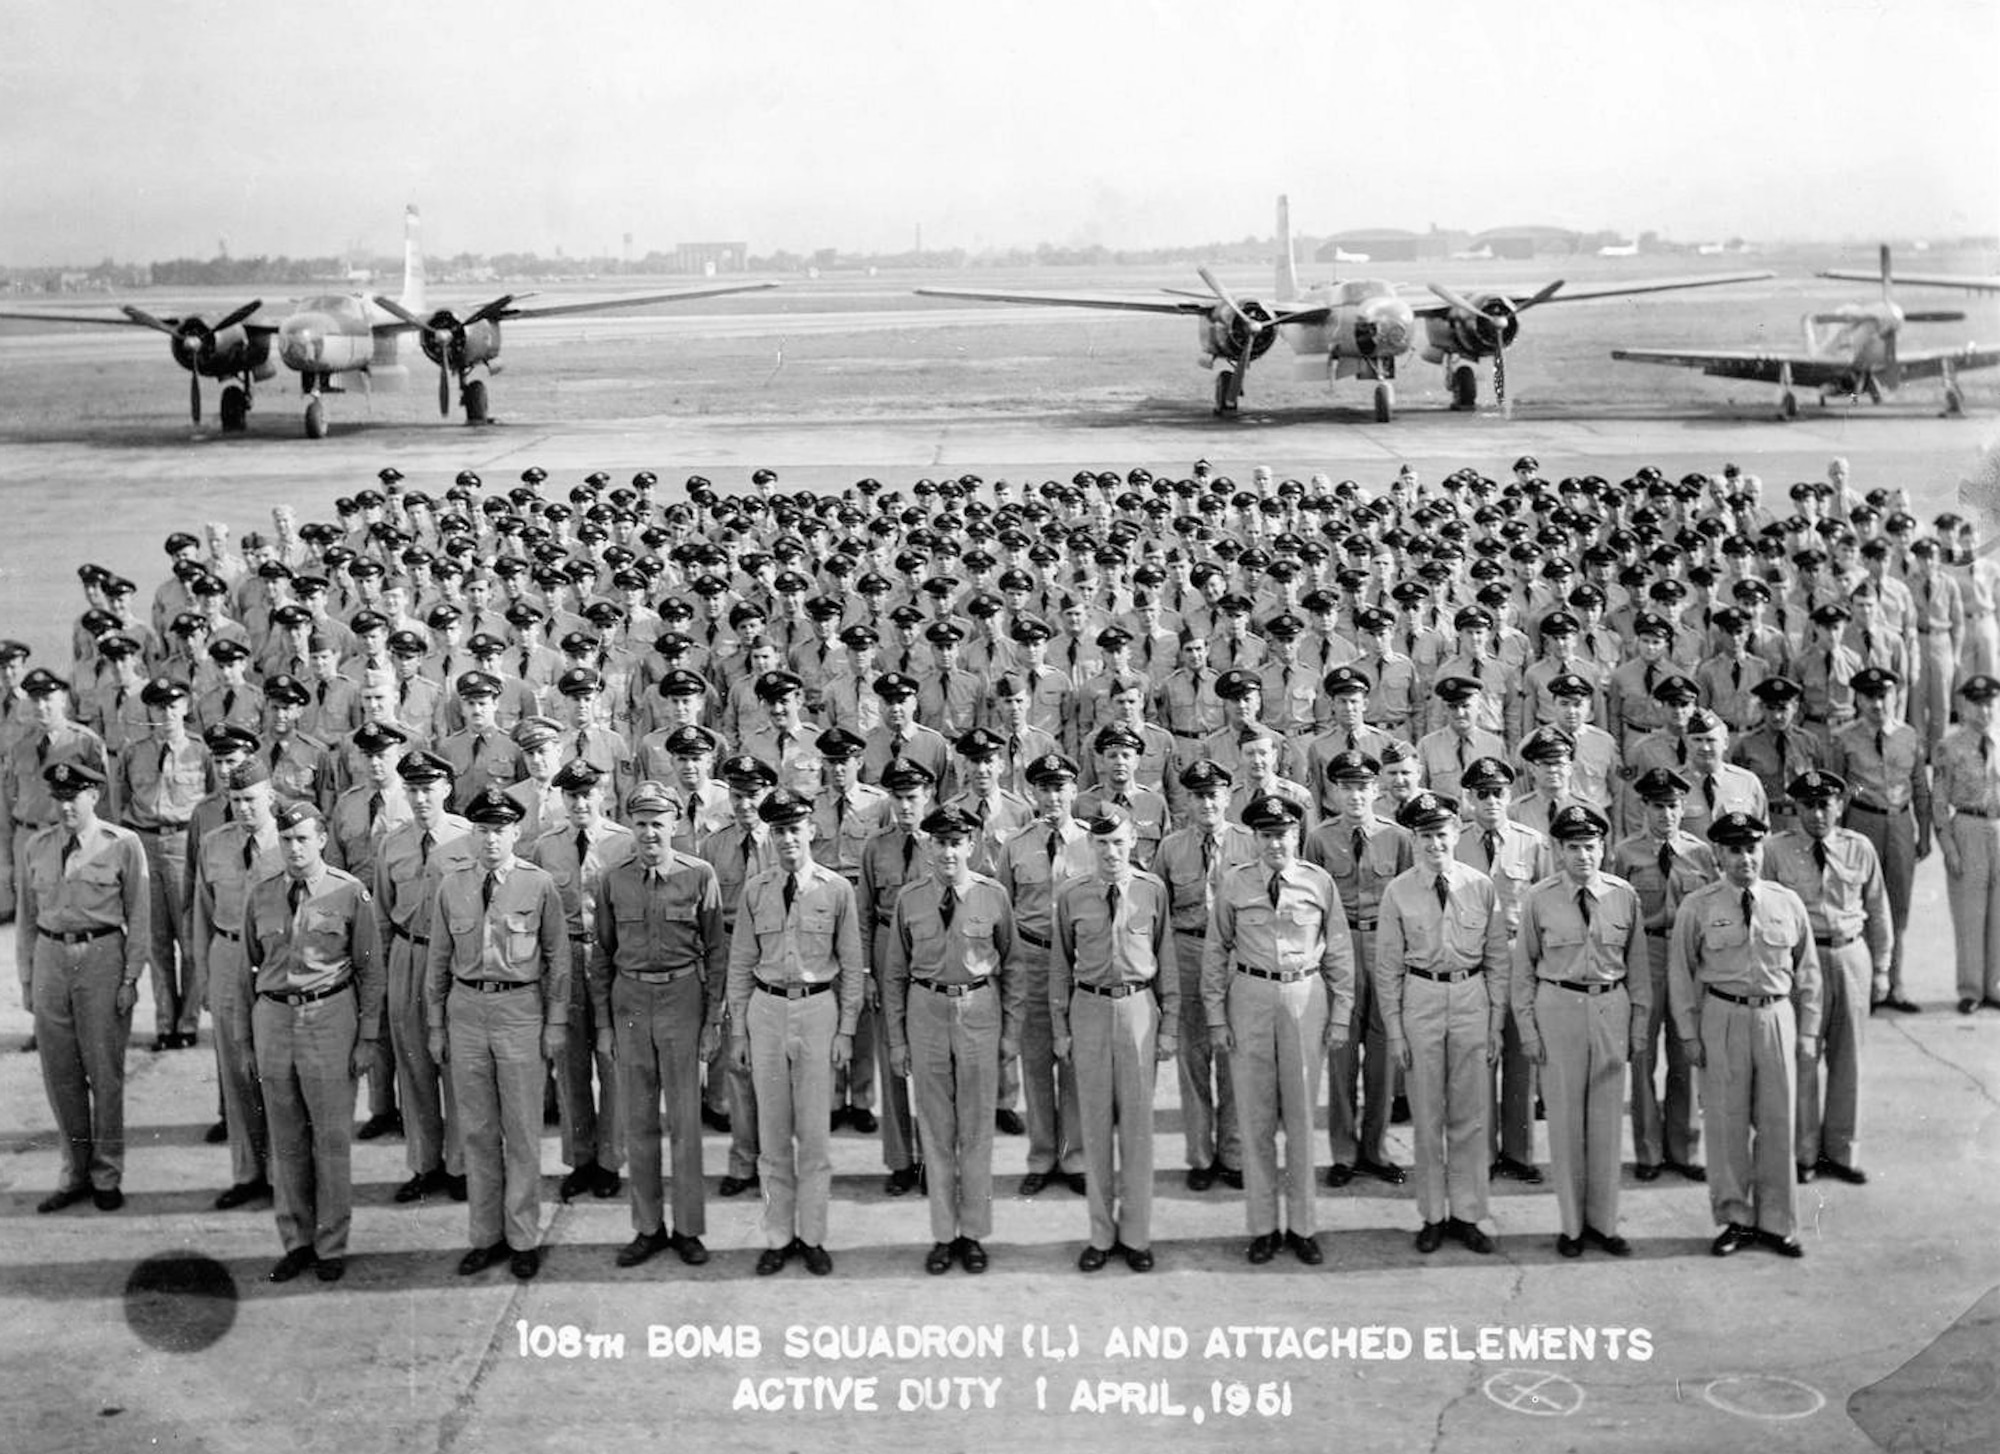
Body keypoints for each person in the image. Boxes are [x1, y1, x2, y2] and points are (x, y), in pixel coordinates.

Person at [426, 788, 571, 1281]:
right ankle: (486, 1235)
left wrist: (555, 1023)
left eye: (500, 830)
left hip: (519, 1011)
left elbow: (558, 960)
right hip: (466, 1010)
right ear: (473, 833)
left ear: (516, 833)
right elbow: (438, 962)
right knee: (478, 1131)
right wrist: (435, 1025)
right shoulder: (452, 885)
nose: (491, 839)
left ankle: (523, 1235)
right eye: (482, 830)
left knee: (523, 1131)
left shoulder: (540, 885)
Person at [1202, 792, 1353, 1265]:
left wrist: (1342, 1014)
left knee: (1303, 1117)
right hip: (1250, 996)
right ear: (1254, 838)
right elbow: (1214, 952)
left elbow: (1340, 952)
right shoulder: (1234, 883)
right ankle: (1264, 1227)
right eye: (1266, 835)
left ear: (1297, 835)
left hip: (1305, 999)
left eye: (1284, 834)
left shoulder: (1318, 882)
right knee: (1256, 1118)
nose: (1275, 844)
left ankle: (1304, 1226)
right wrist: (1216, 1017)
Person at [1667, 812, 1822, 1258]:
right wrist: (1688, 1033)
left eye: (1751, 849)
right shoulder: (1699, 906)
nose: (1744, 859)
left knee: (1778, 1122)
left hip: (1775, 1016)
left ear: (1762, 851)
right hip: (1723, 1016)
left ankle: (1777, 1222)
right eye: (1734, 850)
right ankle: (1735, 1218)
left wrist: (1809, 1031)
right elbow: (1680, 973)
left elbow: (1808, 972)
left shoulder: (1786, 902)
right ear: (1718, 854)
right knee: (1726, 1122)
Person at [726, 787, 866, 1276]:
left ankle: (813, 1235)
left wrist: (846, 1029)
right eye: (778, 829)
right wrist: (740, 1033)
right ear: (769, 834)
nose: (787, 839)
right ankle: (778, 1235)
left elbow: (852, 963)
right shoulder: (755, 890)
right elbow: (741, 962)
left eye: (795, 828)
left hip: (817, 1011)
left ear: (811, 830)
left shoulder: (836, 889)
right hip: (765, 1011)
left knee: (814, 1135)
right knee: (772, 1135)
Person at [244, 800, 382, 1283]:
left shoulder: (349, 894)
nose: (294, 848)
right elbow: (249, 966)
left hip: (330, 1016)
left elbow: (370, 970)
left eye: (303, 838)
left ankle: (330, 1245)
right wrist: (248, 1038)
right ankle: (297, 1241)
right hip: (275, 1019)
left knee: (330, 1138)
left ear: (322, 839)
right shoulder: (261, 894)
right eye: (286, 840)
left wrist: (367, 1038)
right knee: (286, 1139)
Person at [880, 805, 1021, 1275]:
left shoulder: (993, 896)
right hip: (926, 1011)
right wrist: (897, 1041)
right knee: (936, 1131)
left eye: (956, 841)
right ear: (927, 846)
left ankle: (973, 1233)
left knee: (977, 1130)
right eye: (939, 842)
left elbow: (1013, 965)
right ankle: (943, 1234)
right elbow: (895, 973)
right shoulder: (910, 898)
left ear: (972, 845)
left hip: (979, 1009)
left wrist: (1011, 1033)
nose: (947, 851)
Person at [592, 780, 727, 1270]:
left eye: (658, 824)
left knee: (686, 1123)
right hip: (630, 1002)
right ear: (630, 826)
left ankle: (688, 1228)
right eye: (641, 824)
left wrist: (713, 1020)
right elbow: (602, 956)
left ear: (675, 825)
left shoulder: (699, 876)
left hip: (682, 999)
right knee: (639, 1122)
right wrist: (605, 1025)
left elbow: (716, 951)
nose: (649, 834)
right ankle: (648, 1228)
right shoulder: (613, 880)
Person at [1511, 805, 1649, 1258]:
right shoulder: (1539, 898)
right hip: (1559, 1007)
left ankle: (1604, 1224)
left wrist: (1639, 1028)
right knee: (1566, 1122)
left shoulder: (1623, 896)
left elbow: (1639, 970)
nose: (1583, 856)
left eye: (1590, 846)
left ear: (1603, 848)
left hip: (1610, 1006)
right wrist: (1528, 1031)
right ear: (1557, 850)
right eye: (1573, 847)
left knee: (1607, 1122)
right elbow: (1524, 971)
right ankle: (1572, 1226)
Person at [1376, 790, 1509, 1256]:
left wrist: (1494, 1024)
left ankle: (1469, 1214)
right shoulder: (1398, 891)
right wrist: (1395, 1031)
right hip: (1422, 998)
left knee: (1471, 1115)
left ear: (1457, 833)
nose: (1435, 845)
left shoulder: (1480, 886)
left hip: (1471, 997)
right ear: (1414, 839)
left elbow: (1496, 960)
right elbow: (1388, 967)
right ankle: (1433, 1214)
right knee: (1428, 1115)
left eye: (1442, 834)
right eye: (1426, 836)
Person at [1051, 806, 1178, 1273]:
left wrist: (1170, 1027)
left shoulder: (1152, 892)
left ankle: (1137, 1235)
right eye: (1101, 844)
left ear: (1133, 844)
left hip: (1139, 1010)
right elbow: (1060, 967)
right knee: (1095, 1129)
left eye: (1119, 842)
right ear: (1090, 846)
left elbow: (1167, 963)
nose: (1110, 852)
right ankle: (1101, 1235)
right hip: (1088, 1009)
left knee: (1139, 1133)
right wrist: (1061, 1027)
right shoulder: (1072, 896)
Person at [22, 761, 148, 1214]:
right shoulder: (37, 845)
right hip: (51, 959)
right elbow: (24, 919)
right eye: (58, 797)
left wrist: (131, 978)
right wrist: (27, 978)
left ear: (94, 794)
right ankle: (74, 1172)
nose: (66, 805)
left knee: (105, 1074)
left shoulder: (123, 845)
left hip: (102, 958)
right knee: (61, 1077)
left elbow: (139, 915)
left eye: (74, 795)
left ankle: (107, 1172)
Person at [1763, 770, 1889, 1185]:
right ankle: (1804, 1153)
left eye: (1825, 805)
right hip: (1802, 959)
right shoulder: (1775, 851)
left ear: (1840, 806)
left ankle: (1842, 1151)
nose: (1817, 814)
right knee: (1804, 1055)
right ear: (1795, 809)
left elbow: (1878, 908)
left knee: (1848, 1057)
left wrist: (1883, 968)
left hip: (1851, 953)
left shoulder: (1860, 848)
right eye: (1807, 806)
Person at [527, 758, 634, 1203]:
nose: (580, 803)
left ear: (602, 794)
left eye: (587, 794)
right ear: (561, 799)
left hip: (610, 956)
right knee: (570, 1065)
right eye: (571, 795)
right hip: (565, 958)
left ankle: (611, 1159)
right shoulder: (546, 846)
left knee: (613, 1063)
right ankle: (581, 1159)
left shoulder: (624, 842)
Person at [995, 752, 1096, 1196]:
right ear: (1032, 793)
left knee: (1075, 1062)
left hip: (1078, 963)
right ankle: (1040, 1155)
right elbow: (1002, 911)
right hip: (1033, 959)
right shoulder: (1016, 844)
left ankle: (1074, 1157)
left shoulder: (1094, 843)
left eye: (1061, 787)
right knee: (1035, 1060)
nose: (1053, 797)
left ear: (1074, 790)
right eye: (1044, 788)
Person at [1152, 760, 1256, 1191]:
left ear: (1228, 797)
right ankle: (1199, 1155)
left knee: (1234, 1056)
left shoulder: (1251, 843)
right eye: (1198, 795)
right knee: (1194, 1056)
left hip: (1236, 954)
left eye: (1214, 794)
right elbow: (1156, 910)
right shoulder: (1171, 848)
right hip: (1189, 949)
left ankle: (1233, 1153)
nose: (1207, 803)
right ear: (1187, 801)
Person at [374, 750, 472, 1204]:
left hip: (454, 959)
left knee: (456, 1063)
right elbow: (379, 913)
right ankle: (424, 1163)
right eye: (411, 789)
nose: (418, 798)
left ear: (446, 790)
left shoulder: (470, 838)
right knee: (412, 1062)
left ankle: (461, 1164)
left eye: (427, 788)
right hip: (407, 954)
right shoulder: (392, 843)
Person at [1610, 767, 1714, 1182]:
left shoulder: (1701, 853)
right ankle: (1649, 1151)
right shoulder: (1625, 853)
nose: (1666, 814)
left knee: (1686, 1050)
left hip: (1686, 957)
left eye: (1673, 806)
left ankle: (1684, 1148)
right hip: (1646, 953)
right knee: (1643, 1054)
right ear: (1643, 807)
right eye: (1658, 806)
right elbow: (1614, 912)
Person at [188, 760, 280, 1210]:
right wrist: (204, 978)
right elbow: (201, 914)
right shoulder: (213, 844)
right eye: (237, 801)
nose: (244, 809)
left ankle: (285, 1173)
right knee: (235, 1069)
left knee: (276, 1071)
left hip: (276, 961)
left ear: (271, 799)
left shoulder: (292, 844)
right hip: (226, 956)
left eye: (252, 800)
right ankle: (248, 1173)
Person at [1828, 667, 1928, 1013]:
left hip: (1899, 823)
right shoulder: (1844, 738)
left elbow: (1919, 787)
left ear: (1894, 696)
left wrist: (1924, 832)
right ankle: (1865, 988)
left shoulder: (1908, 736)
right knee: (1861, 905)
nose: (1877, 703)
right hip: (1862, 821)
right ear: (1857, 698)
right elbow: (1838, 789)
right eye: (1869, 696)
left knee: (1898, 906)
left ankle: (1895, 985)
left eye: (1883, 695)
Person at [1933, 674, 2000, 1014]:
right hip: (1968, 826)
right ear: (1964, 705)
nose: (1984, 710)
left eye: (1990, 702)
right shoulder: (1950, 746)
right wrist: (1948, 847)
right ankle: (1971, 988)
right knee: (1970, 913)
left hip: (1999, 827)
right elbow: (1939, 801)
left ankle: (1996, 986)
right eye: (1977, 703)